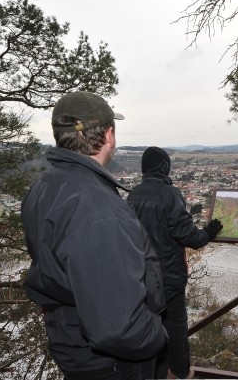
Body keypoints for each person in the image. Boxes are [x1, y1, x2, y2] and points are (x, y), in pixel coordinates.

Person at [21, 92, 166, 380]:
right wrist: (157, 335)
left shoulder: (45, 186)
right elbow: (119, 329)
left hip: (72, 343)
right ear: (109, 135)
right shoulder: (99, 209)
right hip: (113, 364)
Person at [127, 146, 223, 379]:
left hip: (141, 278)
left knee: (151, 327)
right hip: (169, 278)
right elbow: (189, 237)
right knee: (176, 328)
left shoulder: (133, 194)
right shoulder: (170, 194)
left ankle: (157, 373)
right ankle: (180, 373)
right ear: (165, 167)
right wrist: (208, 233)